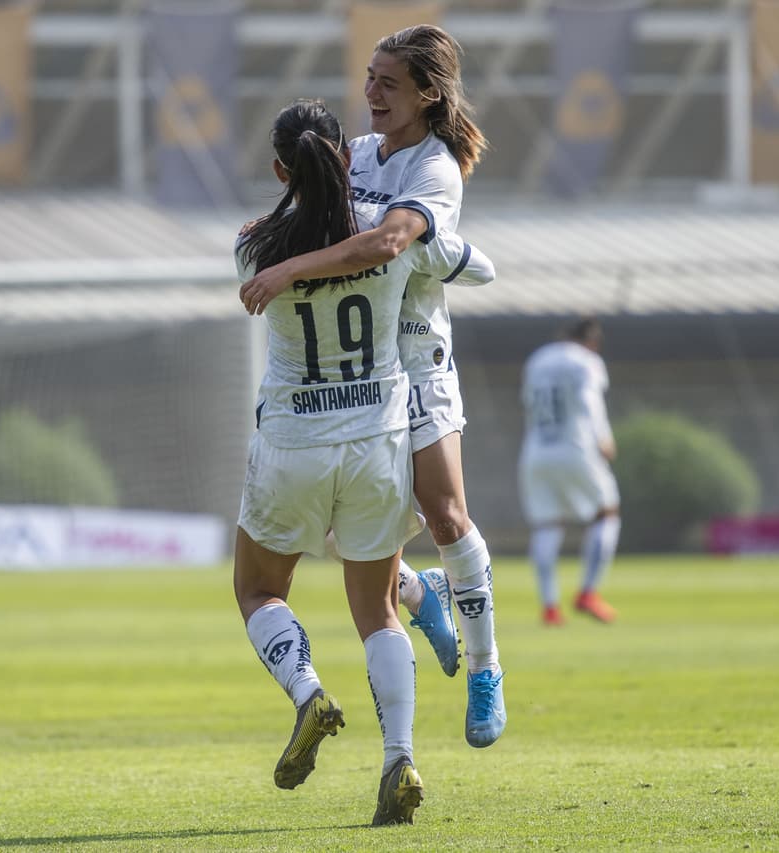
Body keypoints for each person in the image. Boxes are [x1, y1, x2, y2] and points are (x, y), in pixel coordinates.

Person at [238, 24, 505, 750]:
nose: (372, 93)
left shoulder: (436, 167)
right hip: (359, 375)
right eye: (369, 77)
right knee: (342, 518)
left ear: (429, 93)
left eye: (389, 83)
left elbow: (390, 242)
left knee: (445, 514)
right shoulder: (354, 152)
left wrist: (287, 267)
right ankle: (417, 592)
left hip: (415, 360)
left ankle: (485, 667)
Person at [519, 317, 620, 625]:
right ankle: (588, 592)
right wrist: (603, 437)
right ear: (593, 341)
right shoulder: (587, 361)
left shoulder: (537, 359)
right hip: (577, 447)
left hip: (536, 450)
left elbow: (528, 402)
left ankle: (550, 606)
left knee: (547, 524)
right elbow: (590, 400)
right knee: (607, 513)